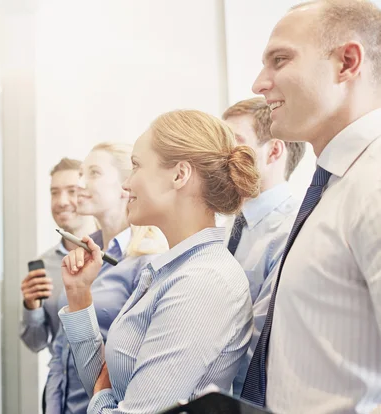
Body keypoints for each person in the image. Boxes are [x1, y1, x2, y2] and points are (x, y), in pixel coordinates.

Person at [59, 110, 260, 413]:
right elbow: (106, 383)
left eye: (136, 167)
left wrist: (103, 396)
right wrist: (79, 296)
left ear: (180, 175)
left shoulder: (202, 281)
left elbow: (113, 397)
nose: (127, 184)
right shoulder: (171, 271)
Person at [240, 1, 381, 412]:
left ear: (346, 63)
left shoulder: (373, 183)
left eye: (279, 60)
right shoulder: (333, 185)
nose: (258, 84)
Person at [44, 143, 167, 414]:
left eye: (94, 173)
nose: (80, 184)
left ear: (126, 184)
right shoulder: (85, 256)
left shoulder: (147, 262)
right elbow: (62, 348)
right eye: (81, 173)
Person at [221, 97, 306, 395]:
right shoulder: (225, 229)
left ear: (273, 151)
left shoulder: (296, 230)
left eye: (236, 142)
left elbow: (258, 341)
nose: (222, 156)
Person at [20, 157, 97, 413]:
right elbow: (36, 342)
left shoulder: (113, 256)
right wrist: (31, 306)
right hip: (58, 395)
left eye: (72, 191)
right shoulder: (43, 264)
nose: (62, 201)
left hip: (102, 395)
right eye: (55, 192)